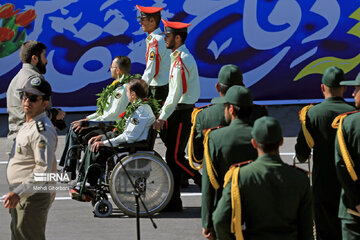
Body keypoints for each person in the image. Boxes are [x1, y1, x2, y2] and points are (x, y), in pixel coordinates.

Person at [213, 116, 313, 240]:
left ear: (254, 143)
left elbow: (220, 221)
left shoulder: (240, 177)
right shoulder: (300, 178)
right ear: (281, 141)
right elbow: (307, 228)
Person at [295, 66, 355, 240]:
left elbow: (301, 154)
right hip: (351, 188)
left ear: (322, 87)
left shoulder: (312, 115)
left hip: (323, 188)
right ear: (344, 87)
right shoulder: (354, 114)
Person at [70, 78, 155, 195]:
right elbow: (122, 130)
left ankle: (90, 183)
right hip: (127, 142)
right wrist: (102, 137)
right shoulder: (136, 108)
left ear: (133, 94)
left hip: (131, 146)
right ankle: (84, 181)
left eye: (127, 92)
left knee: (95, 148)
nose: (126, 94)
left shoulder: (141, 111)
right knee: (92, 143)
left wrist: (104, 143)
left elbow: (129, 137)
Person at [153, 19, 201, 211]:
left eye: (168, 35)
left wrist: (162, 117)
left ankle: (206, 184)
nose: (165, 38)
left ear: (178, 37)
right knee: (173, 158)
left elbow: (175, 94)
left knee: (175, 158)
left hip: (181, 114)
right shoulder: (177, 57)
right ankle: (174, 202)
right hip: (178, 113)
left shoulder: (181, 59)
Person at [59, 56, 132, 178]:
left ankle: (69, 170)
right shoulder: (115, 86)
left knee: (75, 130)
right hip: (104, 122)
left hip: (111, 126)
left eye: (112, 67)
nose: (110, 68)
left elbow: (113, 115)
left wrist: (90, 122)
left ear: (118, 70)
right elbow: (102, 111)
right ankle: (68, 168)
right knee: (74, 126)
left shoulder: (123, 89)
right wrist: (87, 119)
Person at [4, 77, 57, 240]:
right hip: (24, 196)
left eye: (33, 98)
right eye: (24, 96)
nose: (27, 101)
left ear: (45, 103)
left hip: (31, 197)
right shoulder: (29, 123)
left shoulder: (42, 131)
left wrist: (18, 193)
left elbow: (43, 170)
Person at [201, 85, 258, 240]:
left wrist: (207, 222)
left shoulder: (215, 138)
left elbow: (208, 184)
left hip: (225, 212)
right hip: (258, 213)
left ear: (231, 109)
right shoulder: (261, 136)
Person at [188, 64, 267, 167]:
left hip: (217, 179)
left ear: (217, 87)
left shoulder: (202, 115)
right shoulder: (260, 113)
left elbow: (197, 157)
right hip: (252, 177)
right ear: (242, 87)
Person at [6, 40, 65, 154]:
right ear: (34, 58)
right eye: (44, 56)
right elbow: (34, 112)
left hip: (20, 139)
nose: (46, 60)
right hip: (31, 141)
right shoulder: (34, 80)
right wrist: (55, 114)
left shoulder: (17, 78)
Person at [333, 72, 360, 240]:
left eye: (356, 89)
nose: (353, 93)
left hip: (353, 212)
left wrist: (357, 201)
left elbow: (342, 165)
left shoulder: (347, 123)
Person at [136, 5, 170, 104]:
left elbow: (151, 69)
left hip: (157, 90)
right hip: (165, 86)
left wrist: (140, 89)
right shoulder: (162, 37)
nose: (140, 22)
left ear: (152, 21)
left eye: (143, 20)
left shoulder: (155, 41)